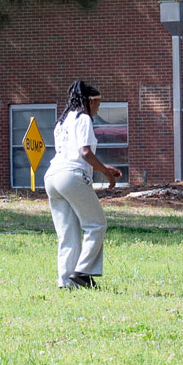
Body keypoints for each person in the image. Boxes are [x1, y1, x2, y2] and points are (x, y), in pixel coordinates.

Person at [48, 79, 120, 289]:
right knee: (96, 225)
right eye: (98, 103)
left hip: (52, 177)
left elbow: (72, 156)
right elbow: (85, 153)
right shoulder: (83, 118)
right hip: (71, 176)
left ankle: (66, 282)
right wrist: (107, 174)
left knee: (67, 233)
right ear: (90, 101)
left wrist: (104, 167)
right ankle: (82, 272)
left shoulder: (62, 122)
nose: (98, 108)